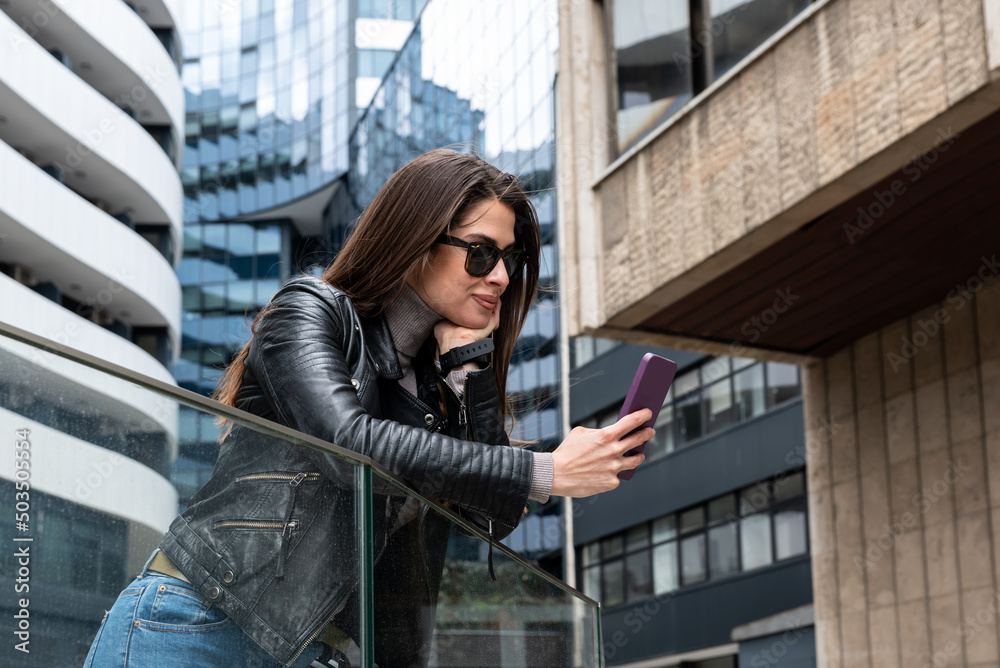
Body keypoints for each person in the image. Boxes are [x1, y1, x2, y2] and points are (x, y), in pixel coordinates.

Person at [83, 149, 653, 668]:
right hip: (199, 624)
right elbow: (348, 445)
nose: (501, 276)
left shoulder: (440, 377)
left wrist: (467, 381)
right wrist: (548, 470)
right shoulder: (308, 312)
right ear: (416, 241)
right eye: (480, 255)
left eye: (509, 258)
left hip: (316, 656)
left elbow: (487, 519)